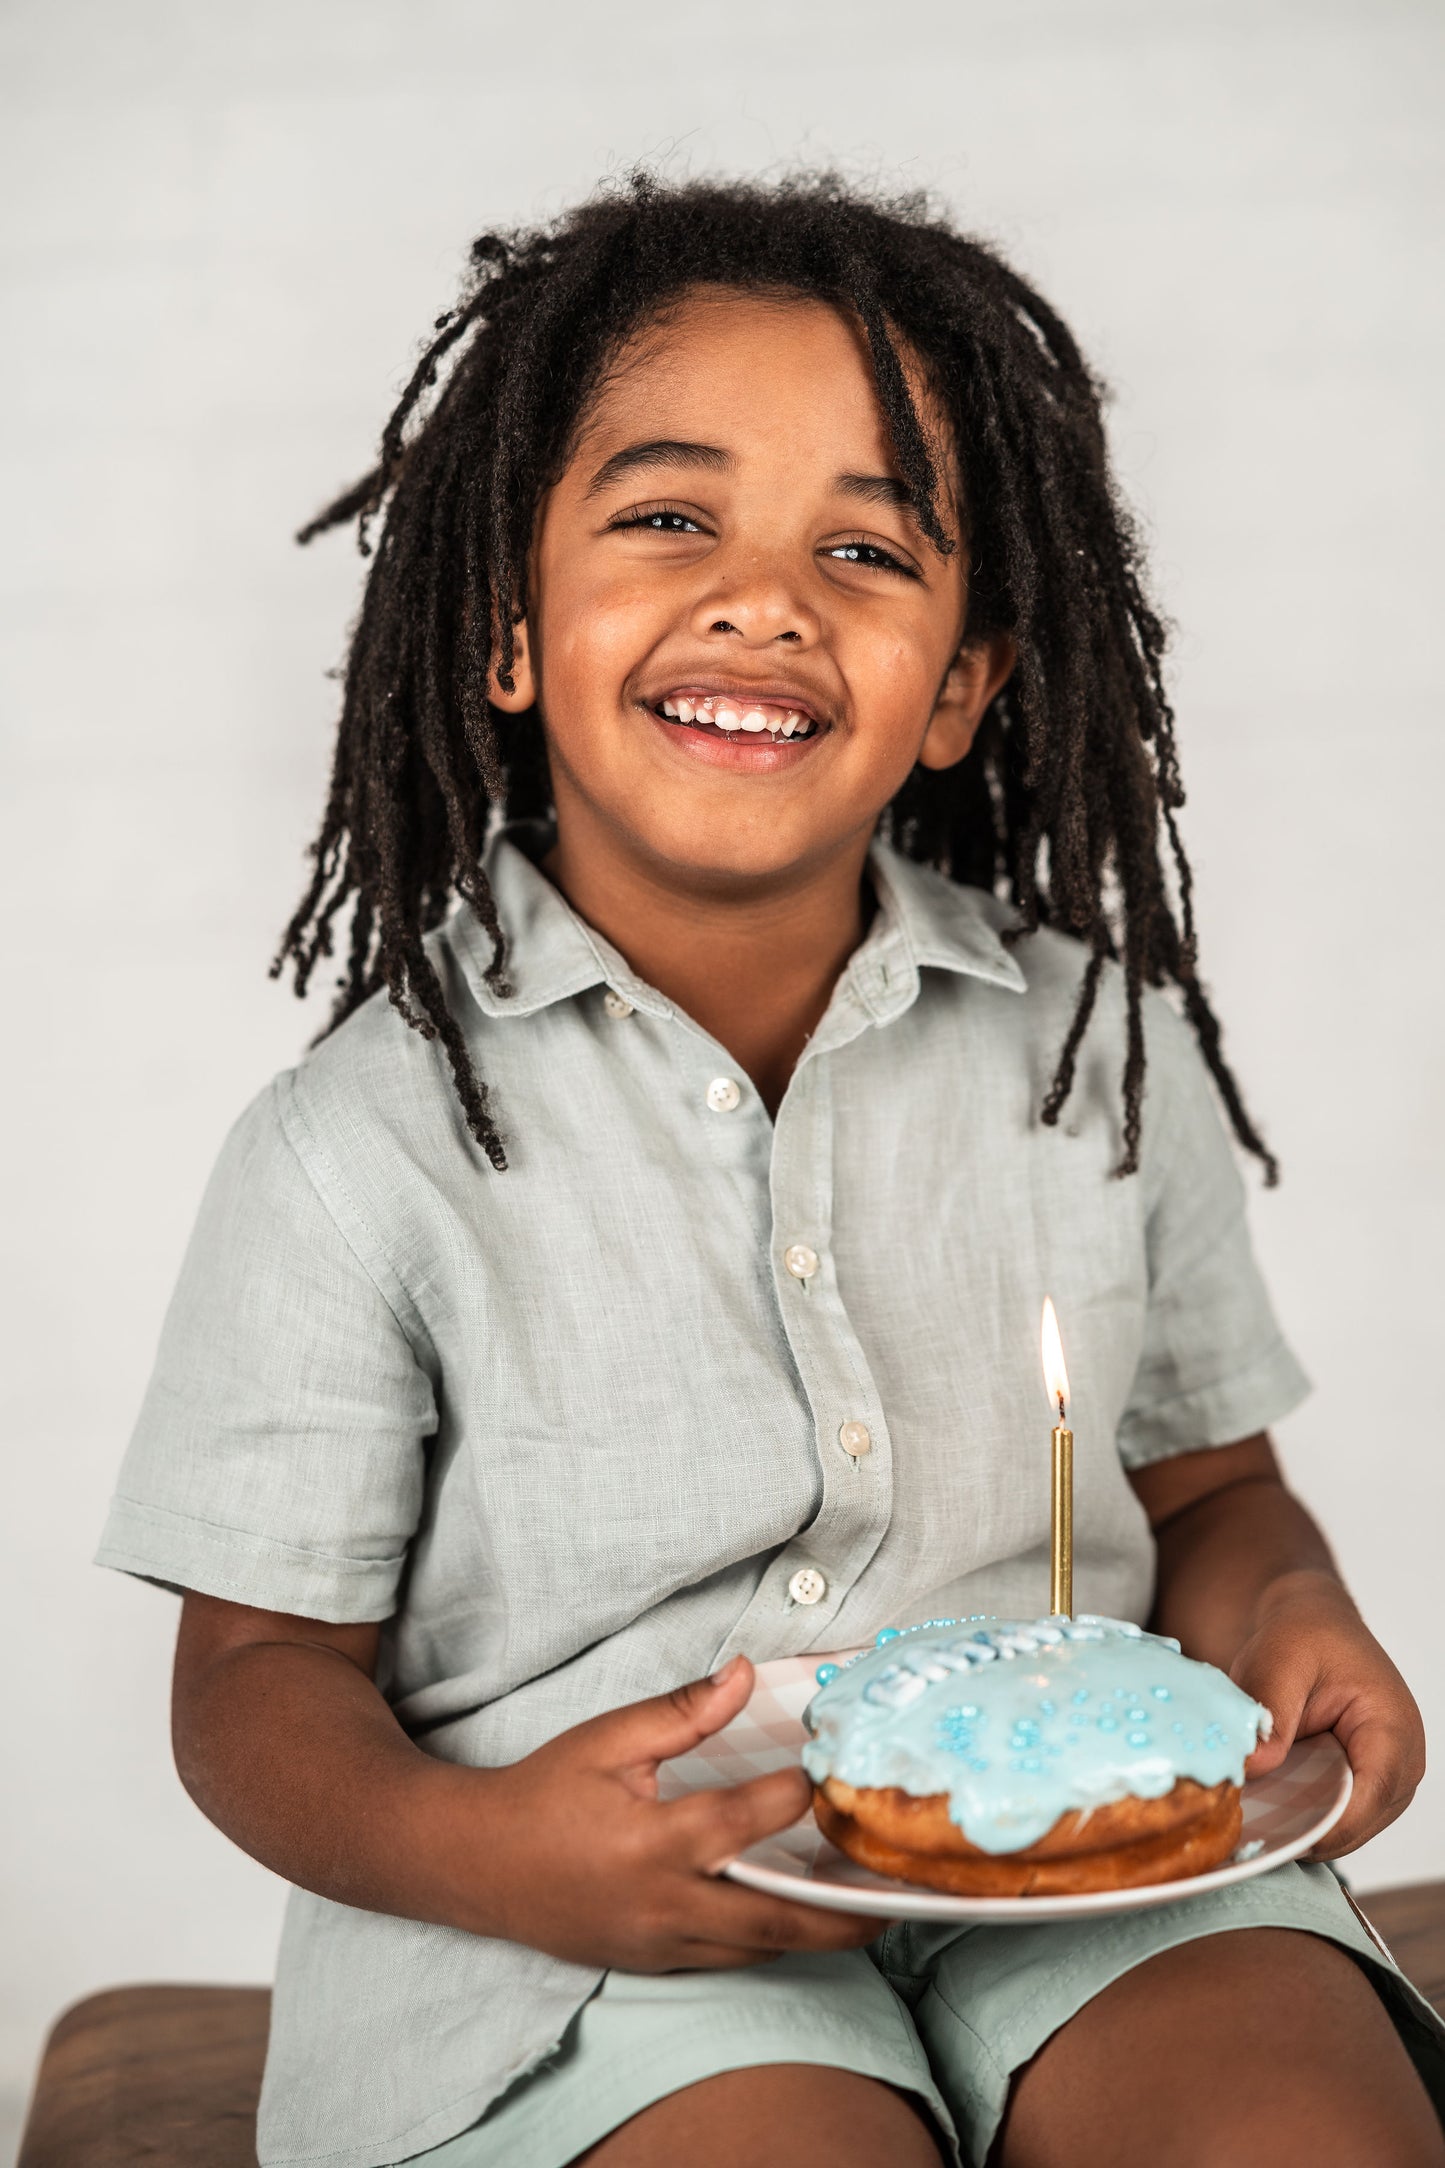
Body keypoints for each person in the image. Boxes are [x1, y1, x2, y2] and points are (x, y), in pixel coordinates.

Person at [98, 174, 1445, 2168]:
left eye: (865, 548)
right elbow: (254, 1675)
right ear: (507, 627)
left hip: (1077, 1848)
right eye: (668, 519)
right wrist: (484, 1848)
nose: (765, 598)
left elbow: (1212, 1488)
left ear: (960, 684)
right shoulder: (354, 1148)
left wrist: (1291, 1596)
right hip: (579, 1919)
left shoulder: (1096, 1049)